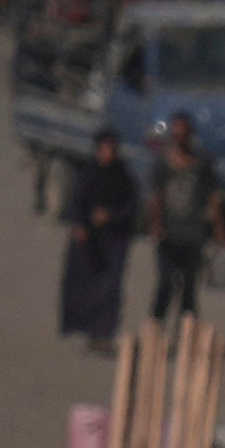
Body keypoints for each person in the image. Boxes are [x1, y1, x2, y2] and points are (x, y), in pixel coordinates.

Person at [145, 111, 215, 325]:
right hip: (169, 234)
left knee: (190, 286)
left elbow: (212, 196)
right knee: (165, 282)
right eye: (176, 135)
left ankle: (187, 331)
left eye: (183, 135)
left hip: (193, 233)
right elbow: (156, 196)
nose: (180, 139)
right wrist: (156, 223)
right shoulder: (163, 164)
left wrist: (218, 229)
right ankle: (156, 327)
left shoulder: (202, 162)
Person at [57, 149, 130, 348]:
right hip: (88, 245)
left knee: (109, 290)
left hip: (113, 244)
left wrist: (111, 216)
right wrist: (80, 225)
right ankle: (89, 332)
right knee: (86, 289)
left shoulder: (121, 175)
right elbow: (76, 203)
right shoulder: (88, 174)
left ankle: (104, 333)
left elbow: (130, 205)